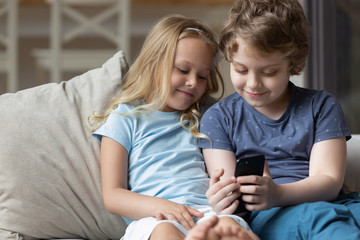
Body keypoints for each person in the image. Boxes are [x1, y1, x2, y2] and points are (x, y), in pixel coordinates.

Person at [198, 0, 360, 239]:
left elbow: (329, 182)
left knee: (335, 216)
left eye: (269, 72)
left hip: (334, 204)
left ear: (293, 64)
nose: (253, 83)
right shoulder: (219, 118)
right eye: (241, 70)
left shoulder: (321, 106)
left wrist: (279, 192)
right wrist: (222, 199)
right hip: (271, 213)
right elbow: (231, 193)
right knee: (321, 219)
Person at [89, 15, 259, 240]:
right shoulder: (124, 117)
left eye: (202, 76)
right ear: (154, 63)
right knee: (165, 233)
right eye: (182, 70)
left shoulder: (208, 115)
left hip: (206, 212)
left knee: (230, 227)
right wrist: (163, 206)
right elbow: (113, 196)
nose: (192, 83)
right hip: (153, 219)